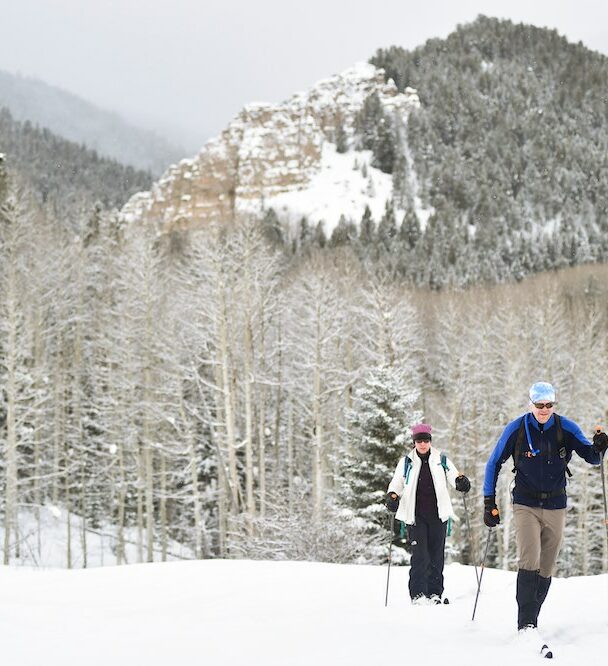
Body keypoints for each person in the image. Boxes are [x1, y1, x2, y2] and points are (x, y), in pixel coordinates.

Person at [483, 381, 606, 637]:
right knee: (530, 559)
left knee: (546, 567)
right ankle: (525, 625)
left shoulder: (566, 428)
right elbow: (494, 463)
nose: (544, 409)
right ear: (531, 404)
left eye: (549, 404)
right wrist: (488, 501)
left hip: (555, 505)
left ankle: (532, 617)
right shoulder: (516, 429)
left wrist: (600, 447)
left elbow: (592, 458)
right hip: (525, 504)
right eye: (539, 404)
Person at [385, 423, 471, 605]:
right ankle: (418, 594)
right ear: (414, 442)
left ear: (430, 442)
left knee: (436, 555)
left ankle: (434, 593)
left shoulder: (442, 460)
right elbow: (396, 485)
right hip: (415, 516)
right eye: (419, 441)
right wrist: (392, 496)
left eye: (426, 441)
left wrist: (461, 482)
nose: (423, 444)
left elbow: (455, 477)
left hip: (438, 515)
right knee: (420, 555)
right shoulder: (406, 462)